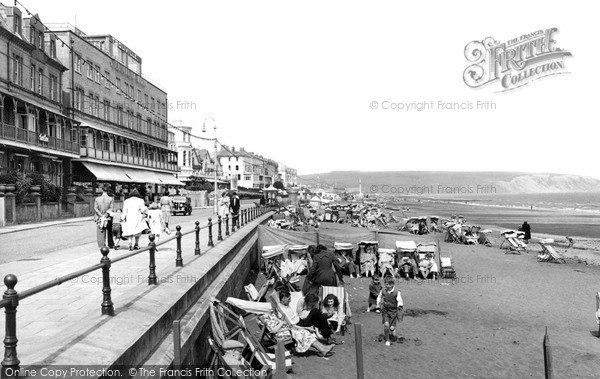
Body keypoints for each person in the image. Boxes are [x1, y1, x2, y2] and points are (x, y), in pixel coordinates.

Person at [376, 275, 404, 346]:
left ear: (392, 284)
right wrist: (378, 304)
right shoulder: (383, 290)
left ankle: (393, 333)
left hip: (394, 312)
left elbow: (399, 300)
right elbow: (379, 297)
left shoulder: (397, 292)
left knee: (391, 328)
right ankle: (387, 340)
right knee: (386, 324)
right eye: (386, 283)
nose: (387, 285)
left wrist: (400, 305)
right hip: (385, 310)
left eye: (388, 284)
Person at [94, 184, 114, 249]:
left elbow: (96, 208)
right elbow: (111, 208)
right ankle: (110, 244)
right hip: (107, 217)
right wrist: (106, 214)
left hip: (99, 217)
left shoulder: (97, 199)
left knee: (101, 231)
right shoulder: (110, 199)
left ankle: (102, 245)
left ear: (102, 190)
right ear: (108, 191)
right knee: (109, 231)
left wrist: (101, 215)